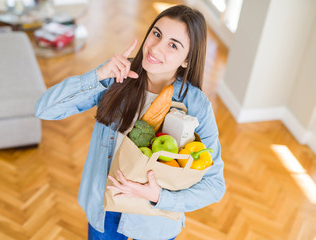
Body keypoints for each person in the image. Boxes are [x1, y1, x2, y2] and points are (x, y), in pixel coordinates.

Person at [35, 4, 226, 240]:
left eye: (173, 45)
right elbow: (44, 109)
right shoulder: (116, 76)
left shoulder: (197, 106)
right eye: (157, 34)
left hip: (156, 220)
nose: (155, 48)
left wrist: (160, 196)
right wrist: (97, 77)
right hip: (105, 209)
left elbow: (214, 185)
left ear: (187, 59)